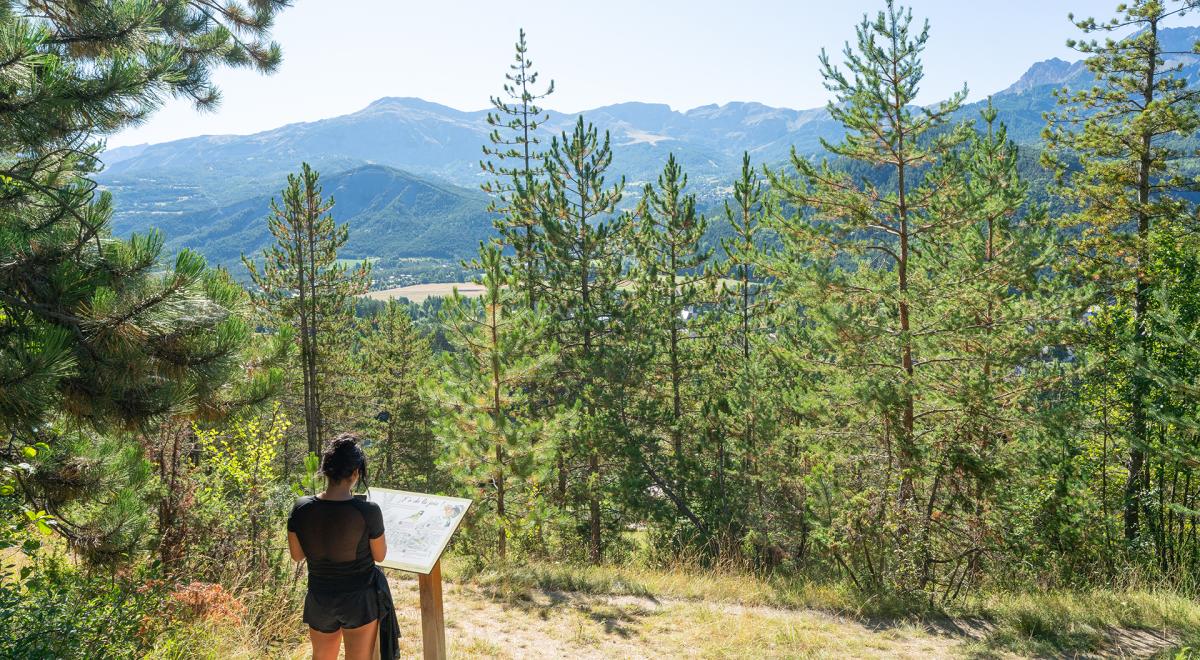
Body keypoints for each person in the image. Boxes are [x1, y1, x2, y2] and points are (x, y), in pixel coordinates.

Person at [288, 434, 389, 660]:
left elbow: (296, 556)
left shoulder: (301, 508)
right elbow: (380, 556)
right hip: (359, 600)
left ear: (326, 470)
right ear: (355, 473)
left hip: (319, 597)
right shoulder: (368, 511)